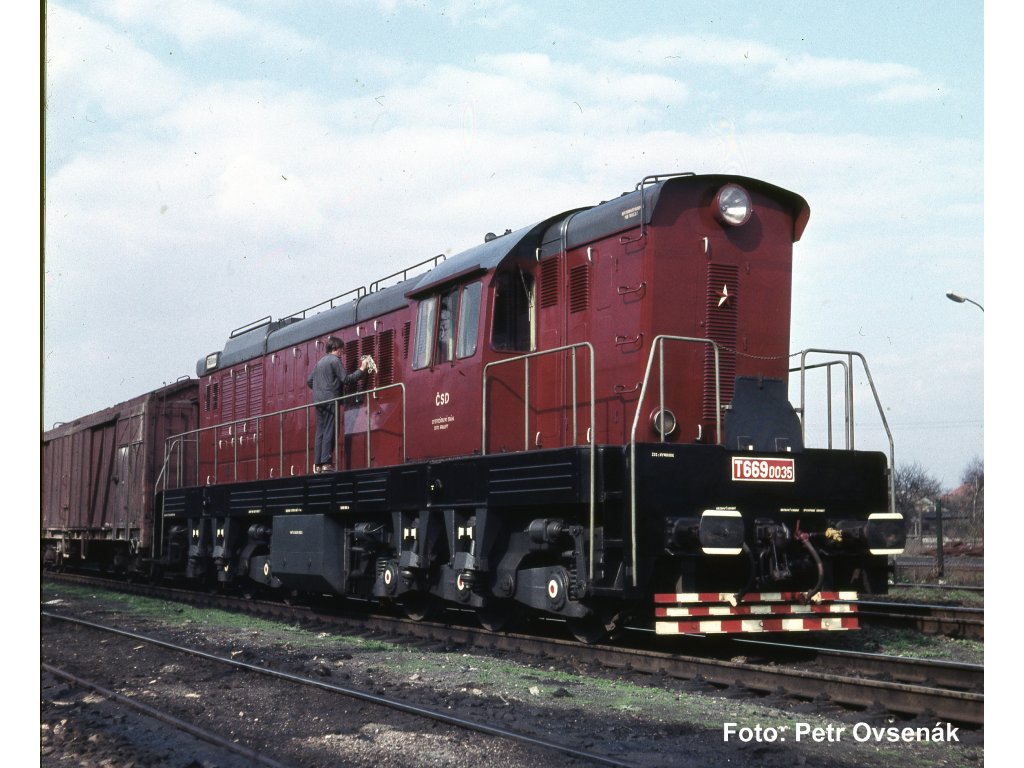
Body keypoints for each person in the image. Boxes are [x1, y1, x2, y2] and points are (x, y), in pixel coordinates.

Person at [307, 337, 372, 473]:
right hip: (331, 400)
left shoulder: (319, 362)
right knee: (330, 430)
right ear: (335, 348)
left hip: (318, 401)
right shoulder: (335, 361)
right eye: (342, 349)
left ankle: (317, 464)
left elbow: (309, 381)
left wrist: (321, 389)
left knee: (320, 431)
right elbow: (346, 379)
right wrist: (362, 369)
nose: (343, 352)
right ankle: (326, 463)